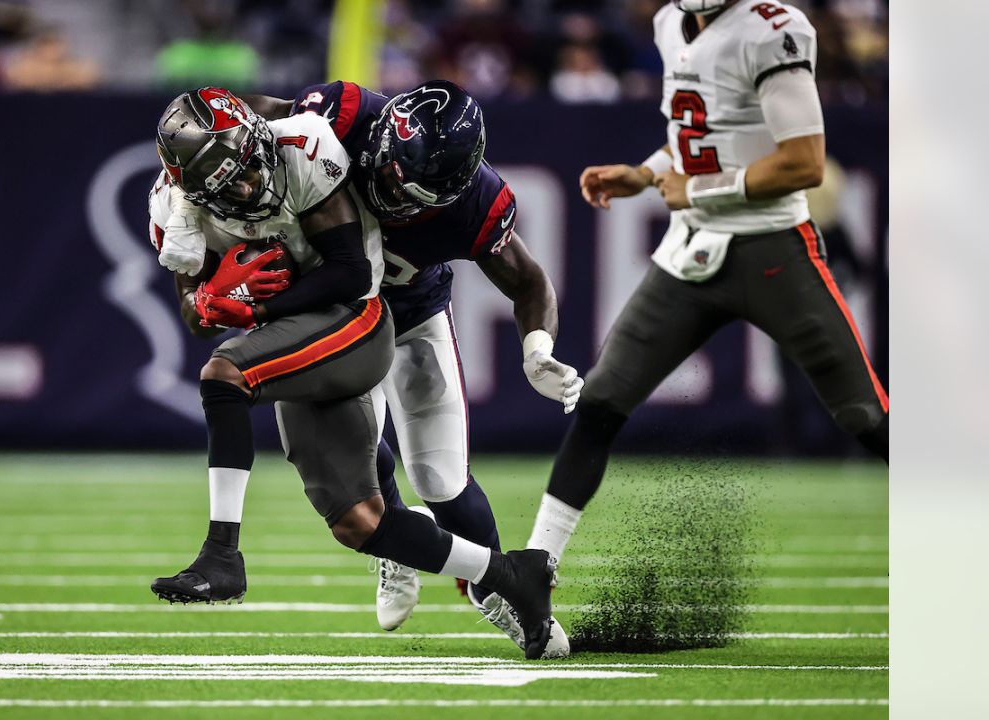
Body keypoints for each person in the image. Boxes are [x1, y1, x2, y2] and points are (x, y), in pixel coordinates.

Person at [145, 87, 559, 660]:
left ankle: (502, 595)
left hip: (404, 316)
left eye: (412, 197)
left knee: (440, 478)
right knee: (356, 503)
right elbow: (242, 116)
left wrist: (536, 348)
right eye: (386, 179)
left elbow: (526, 282)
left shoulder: (472, 202)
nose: (391, 200)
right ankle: (411, 546)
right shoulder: (333, 120)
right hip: (315, 314)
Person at [524, 0, 889, 573]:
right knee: (599, 402)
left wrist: (696, 191)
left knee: (867, 418)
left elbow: (803, 163)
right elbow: (696, 134)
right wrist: (645, 174)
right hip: (691, 253)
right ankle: (535, 569)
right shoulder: (671, 23)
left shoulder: (773, 29)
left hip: (772, 248)